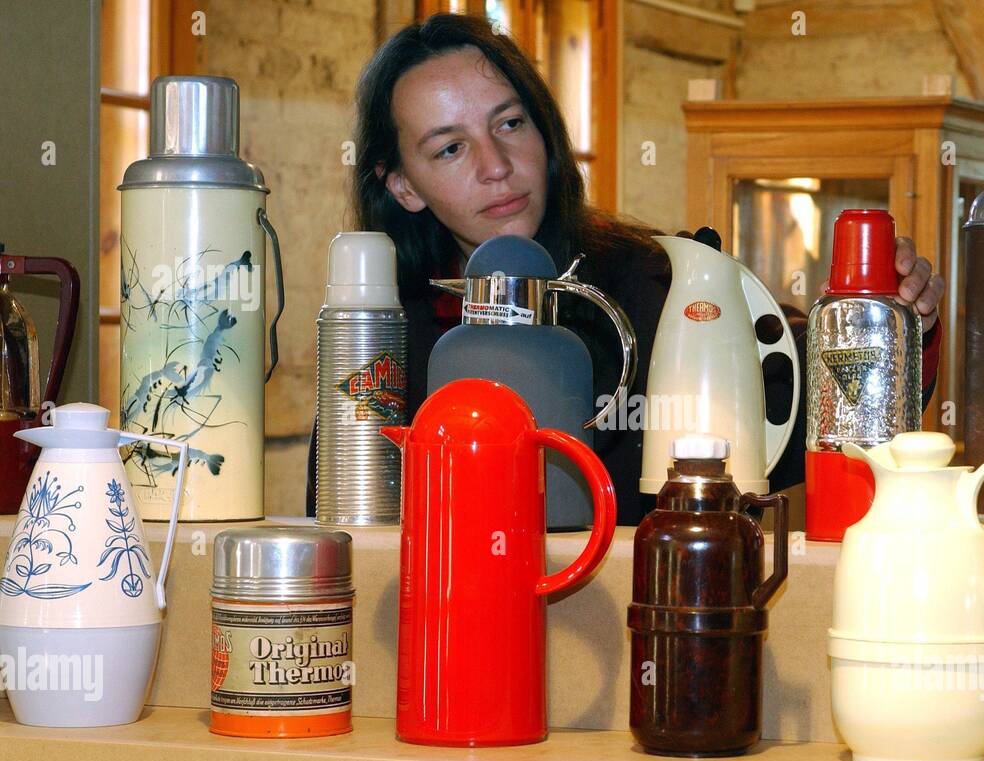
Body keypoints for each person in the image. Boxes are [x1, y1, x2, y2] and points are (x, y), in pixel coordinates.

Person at [307, 13, 946, 525]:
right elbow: (343, 514)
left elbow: (803, 394)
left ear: (546, 132)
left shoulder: (653, 283)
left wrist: (890, 325)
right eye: (449, 147)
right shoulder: (383, 339)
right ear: (403, 186)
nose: (496, 164)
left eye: (510, 122)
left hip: (648, 629)